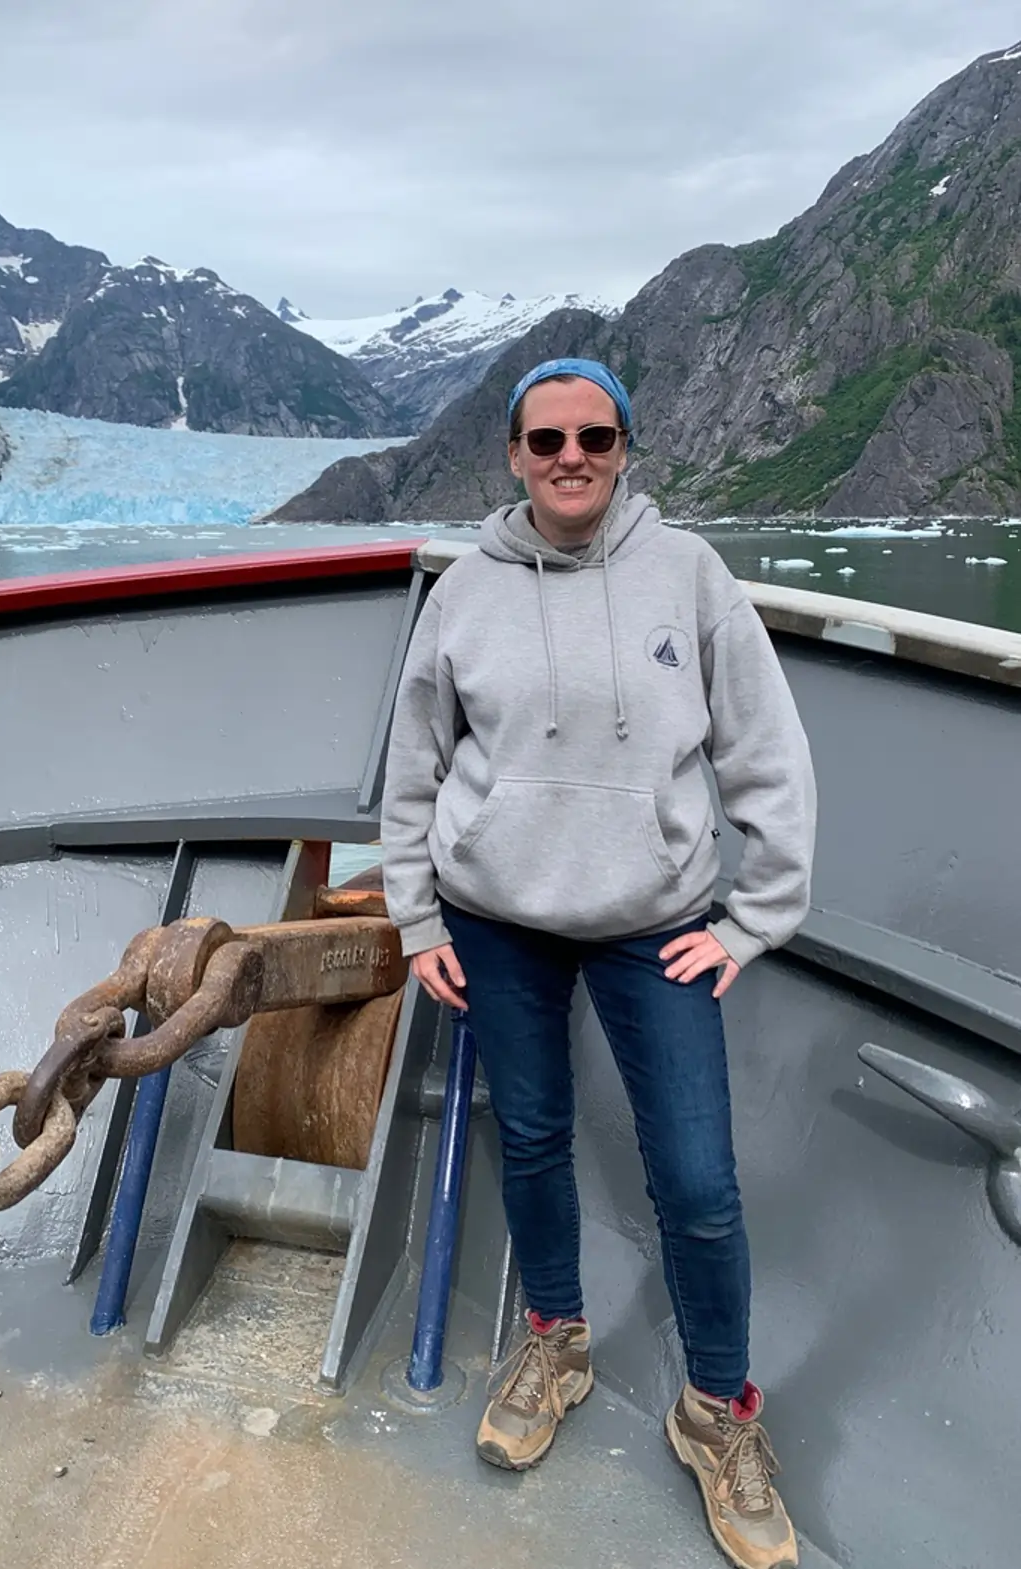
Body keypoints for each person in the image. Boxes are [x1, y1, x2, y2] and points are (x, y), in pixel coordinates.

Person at [380, 358, 816, 1569]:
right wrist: (419, 917)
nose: (571, 457)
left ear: (626, 447)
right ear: (512, 454)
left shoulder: (688, 576)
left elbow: (765, 752)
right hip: (496, 918)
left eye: (595, 436)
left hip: (649, 919)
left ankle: (717, 1411)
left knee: (698, 1182)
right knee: (528, 1134)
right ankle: (555, 1339)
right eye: (546, 439)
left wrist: (751, 917)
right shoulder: (464, 590)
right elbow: (414, 765)